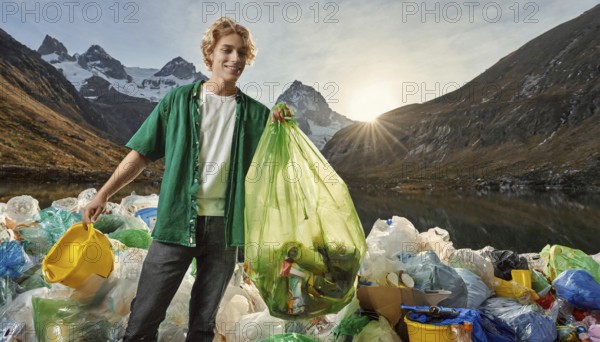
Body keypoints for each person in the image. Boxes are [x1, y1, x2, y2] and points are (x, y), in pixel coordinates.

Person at [82, 17, 290, 341]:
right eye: (227, 50)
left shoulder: (257, 114)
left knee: (203, 326)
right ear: (210, 53)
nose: (235, 58)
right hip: (176, 222)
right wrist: (103, 194)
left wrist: (282, 128)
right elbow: (141, 154)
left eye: (242, 52)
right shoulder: (177, 101)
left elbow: (278, 170)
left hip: (225, 232)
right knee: (143, 319)